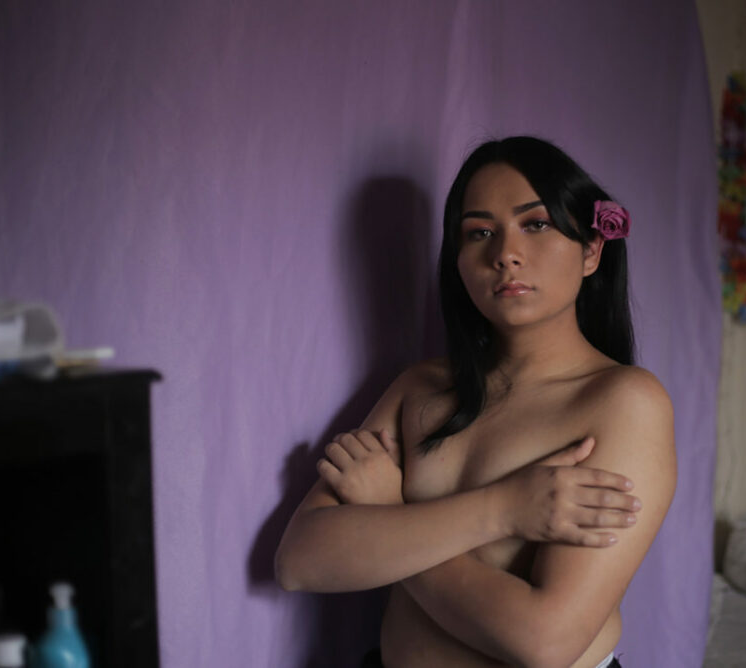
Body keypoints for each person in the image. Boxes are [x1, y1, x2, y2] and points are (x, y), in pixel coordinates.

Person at [275, 136, 677, 668]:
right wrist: (504, 509)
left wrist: (391, 516)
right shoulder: (419, 389)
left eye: (536, 224)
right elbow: (299, 560)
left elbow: (545, 643)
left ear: (591, 251)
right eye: (480, 232)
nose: (505, 253)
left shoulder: (624, 401)